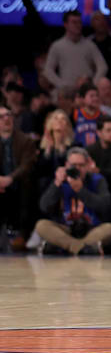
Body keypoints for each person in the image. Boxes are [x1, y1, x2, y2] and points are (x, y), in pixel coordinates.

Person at [35, 147, 111, 254]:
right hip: (66, 229)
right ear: (66, 165)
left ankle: (68, 246)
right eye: (73, 165)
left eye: (81, 165)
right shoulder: (61, 180)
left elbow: (105, 206)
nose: (77, 169)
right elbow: (44, 206)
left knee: (110, 228)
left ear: (87, 165)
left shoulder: (97, 180)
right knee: (41, 225)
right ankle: (83, 248)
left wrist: (81, 191)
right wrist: (56, 184)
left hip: (91, 230)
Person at [0, 105, 37, 250]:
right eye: (1, 117)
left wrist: (10, 178)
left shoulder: (25, 140)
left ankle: (23, 233)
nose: (6, 119)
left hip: (19, 182)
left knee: (29, 183)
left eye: (8, 115)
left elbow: (27, 165)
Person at [43, 11, 108, 91]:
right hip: (67, 92)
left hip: (86, 91)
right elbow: (48, 70)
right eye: (74, 22)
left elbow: (103, 66)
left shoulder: (90, 45)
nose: (78, 25)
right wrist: (62, 85)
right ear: (65, 25)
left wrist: (93, 83)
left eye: (79, 22)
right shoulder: (57, 46)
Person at [72, 83, 104, 147]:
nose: (95, 98)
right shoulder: (75, 114)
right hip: (79, 151)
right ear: (83, 99)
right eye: (91, 96)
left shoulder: (103, 115)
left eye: (97, 95)